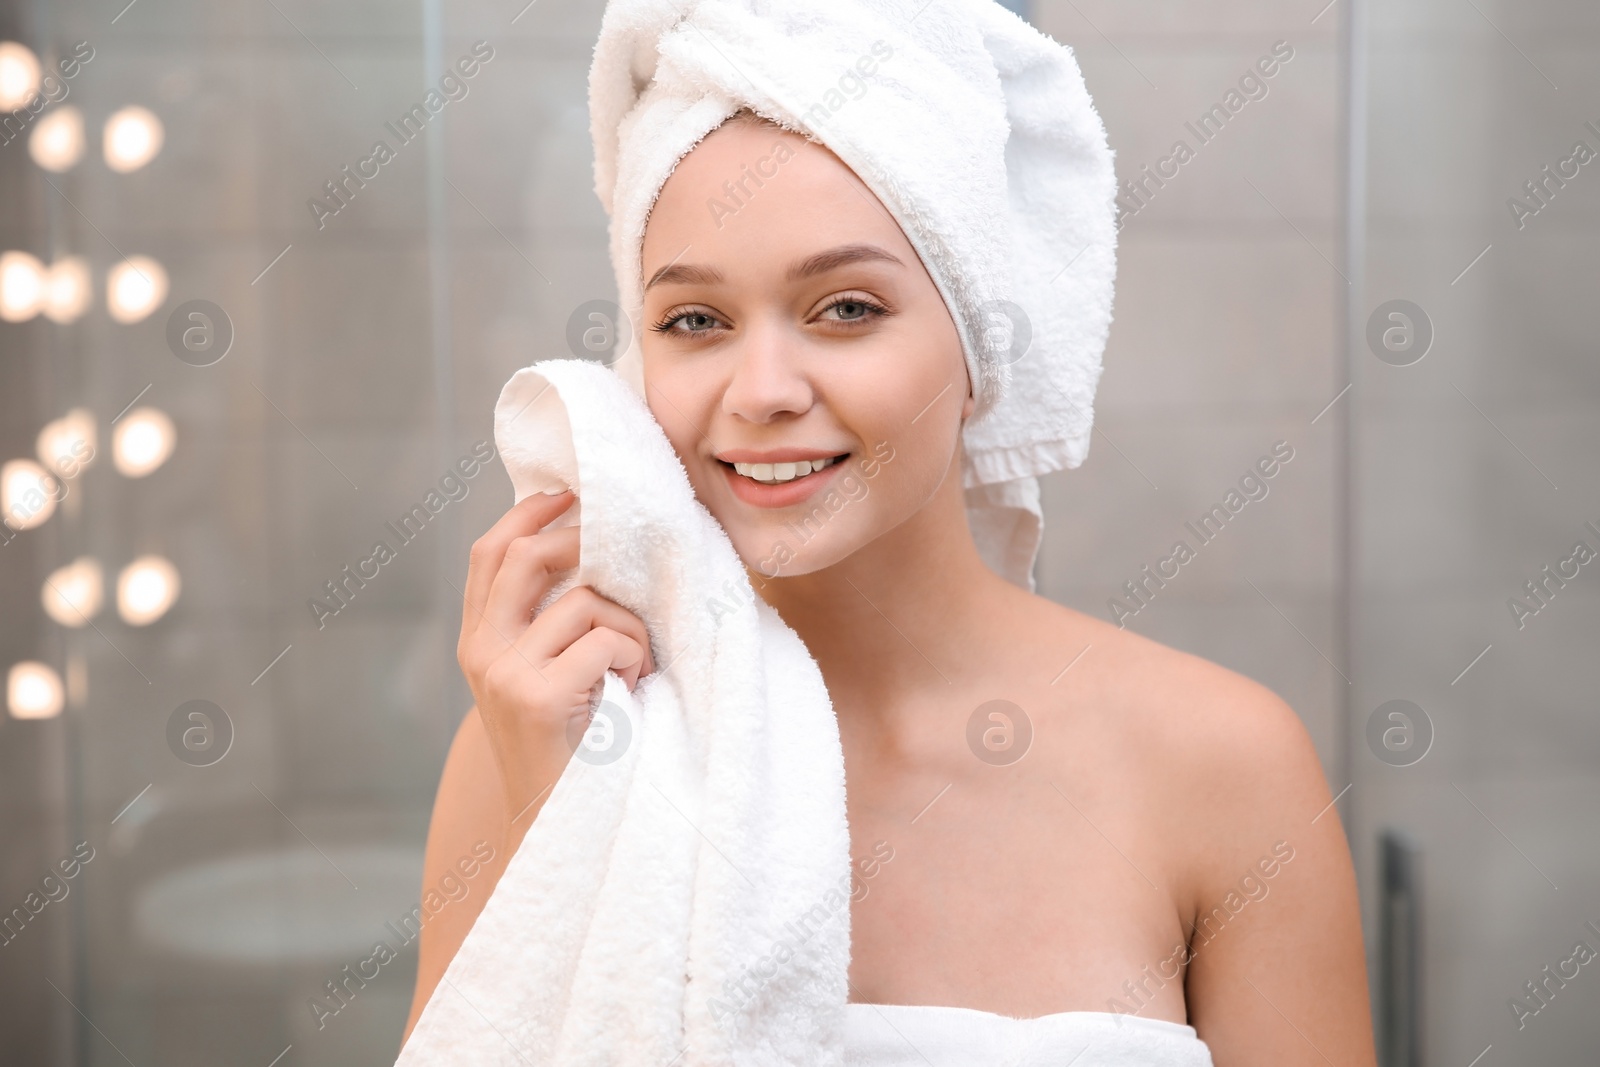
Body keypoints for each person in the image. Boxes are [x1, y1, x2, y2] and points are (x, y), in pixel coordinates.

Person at [403, 106, 1377, 1064]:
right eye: (695, 320)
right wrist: (573, 833)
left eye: (846, 308)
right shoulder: (553, 739)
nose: (762, 389)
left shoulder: (1223, 765)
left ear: (976, 345)